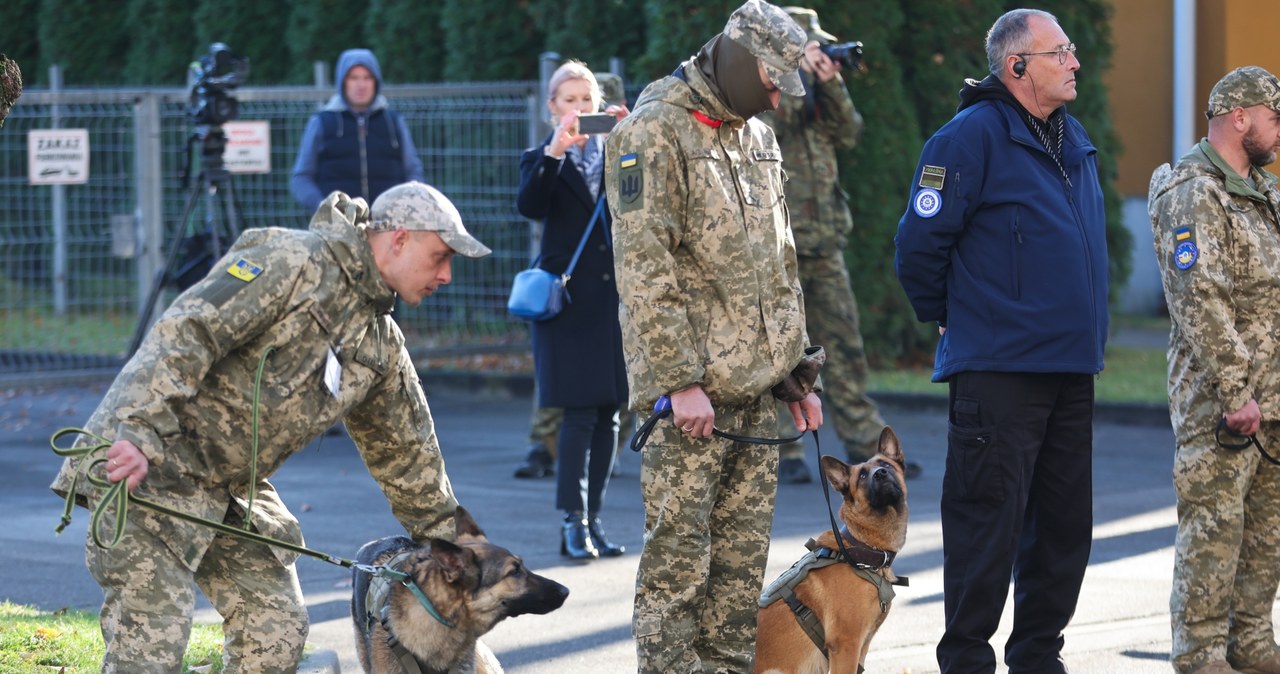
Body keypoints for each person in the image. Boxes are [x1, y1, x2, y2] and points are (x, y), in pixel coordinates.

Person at [50, 181, 490, 673]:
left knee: (275, 631)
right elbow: (188, 331)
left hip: (231, 490)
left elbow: (408, 454)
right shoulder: (293, 261)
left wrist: (466, 557)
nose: (447, 275)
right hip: (151, 465)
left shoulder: (378, 342)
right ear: (399, 238)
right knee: (151, 649)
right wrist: (137, 432)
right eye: (440, 256)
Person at [605, 1, 823, 671]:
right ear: (741, 61)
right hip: (690, 407)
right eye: (771, 84)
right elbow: (644, 268)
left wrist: (796, 375)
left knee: (737, 577)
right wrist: (679, 381)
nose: (778, 102)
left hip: (755, 396)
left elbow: (778, 266)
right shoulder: (653, 131)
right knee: (679, 573)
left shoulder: (755, 136)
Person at [894, 9, 1108, 674]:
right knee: (986, 525)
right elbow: (917, 246)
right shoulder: (969, 138)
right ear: (1018, 67)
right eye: (1060, 53)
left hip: (1071, 369)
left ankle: (1039, 656)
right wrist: (950, 316)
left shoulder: (1071, 140)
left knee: (1064, 531)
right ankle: (966, 661)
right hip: (1000, 371)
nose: (1075, 63)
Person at [1149, 65, 1280, 674]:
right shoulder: (1194, 191)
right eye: (1275, 118)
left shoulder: (1262, 189)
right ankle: (1200, 654)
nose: (1279, 133)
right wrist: (1236, 392)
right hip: (1222, 405)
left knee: (1263, 537)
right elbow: (1200, 299)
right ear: (1240, 116)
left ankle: (1251, 643)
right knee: (1214, 533)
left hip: (1272, 400)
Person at [761, 6, 920, 484]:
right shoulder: (763, 87)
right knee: (777, 350)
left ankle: (867, 448)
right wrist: (797, 77)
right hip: (775, 243)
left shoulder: (817, 86)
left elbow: (848, 132)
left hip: (824, 237)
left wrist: (829, 81)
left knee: (844, 344)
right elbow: (777, 121)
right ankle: (784, 452)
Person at [517, 60, 630, 560]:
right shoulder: (541, 157)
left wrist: (632, 139)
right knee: (579, 415)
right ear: (551, 108)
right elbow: (530, 206)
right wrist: (555, 155)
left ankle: (596, 519)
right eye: (569, 101)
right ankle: (572, 521)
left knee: (609, 414)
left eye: (587, 101)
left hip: (614, 304)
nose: (579, 110)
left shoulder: (617, 155)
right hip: (567, 305)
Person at [290, 48, 425, 213]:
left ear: (376, 82)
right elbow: (301, 177)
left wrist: (406, 204)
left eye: (367, 78)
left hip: (389, 226)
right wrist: (323, 207)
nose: (361, 85)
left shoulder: (393, 121)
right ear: (342, 82)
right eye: (353, 78)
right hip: (338, 227)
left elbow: (413, 172)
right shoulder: (322, 122)